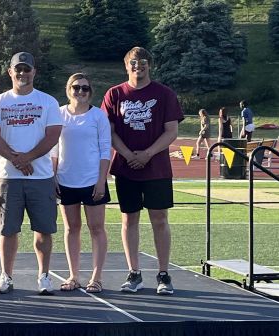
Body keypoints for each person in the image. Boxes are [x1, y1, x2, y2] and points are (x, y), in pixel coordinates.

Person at [101, 46, 182, 295]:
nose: (139, 66)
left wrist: (147, 154)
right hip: (126, 168)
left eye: (143, 61)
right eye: (133, 62)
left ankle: (163, 274)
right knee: (129, 219)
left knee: (159, 219)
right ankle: (134, 273)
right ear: (126, 66)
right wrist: (127, 155)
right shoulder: (115, 94)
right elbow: (109, 131)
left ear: (150, 65)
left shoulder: (164, 94)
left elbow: (171, 131)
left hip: (156, 167)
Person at [0, 52, 62, 296]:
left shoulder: (48, 102)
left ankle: (43, 276)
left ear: (34, 72)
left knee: (44, 230)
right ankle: (6, 276)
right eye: (17, 69)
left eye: (26, 69)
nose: (22, 74)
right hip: (8, 176)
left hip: (40, 177)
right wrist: (16, 160)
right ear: (10, 72)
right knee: (8, 231)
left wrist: (27, 158)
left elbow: (52, 136)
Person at [52, 73, 111, 294]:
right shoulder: (58, 114)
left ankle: (96, 277)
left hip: (91, 180)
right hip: (66, 180)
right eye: (76, 88)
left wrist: (101, 181)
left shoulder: (98, 116)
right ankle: (73, 275)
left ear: (90, 91)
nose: (80, 92)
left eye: (85, 88)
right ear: (69, 90)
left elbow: (106, 150)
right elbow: (54, 149)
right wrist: (53, 176)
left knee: (96, 229)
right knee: (71, 228)